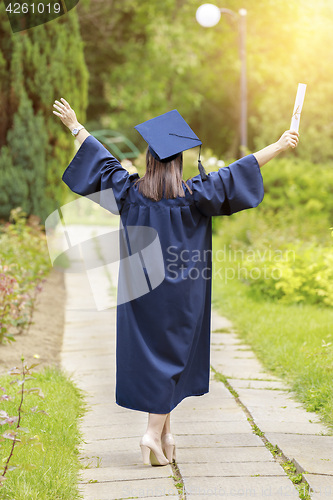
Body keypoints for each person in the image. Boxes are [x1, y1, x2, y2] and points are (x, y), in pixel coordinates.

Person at [53, 98, 299, 467]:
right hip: (185, 292)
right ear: (178, 162)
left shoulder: (129, 192)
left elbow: (103, 162)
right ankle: (152, 434)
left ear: (151, 160)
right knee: (175, 356)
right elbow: (238, 171)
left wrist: (75, 126)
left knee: (156, 357)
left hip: (141, 293)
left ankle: (165, 434)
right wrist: (280, 145)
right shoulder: (196, 195)